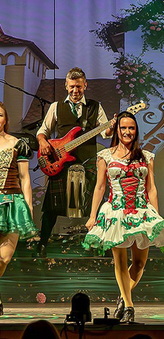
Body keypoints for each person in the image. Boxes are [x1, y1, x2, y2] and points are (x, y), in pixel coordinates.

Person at [83, 111, 164, 323]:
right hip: (116, 212)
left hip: (141, 211)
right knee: (119, 261)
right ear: (117, 130)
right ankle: (129, 305)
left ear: (136, 131)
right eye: (123, 128)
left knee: (139, 264)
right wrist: (92, 216)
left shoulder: (146, 156)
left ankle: (122, 297)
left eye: (131, 128)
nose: (127, 132)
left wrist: (156, 215)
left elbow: (151, 188)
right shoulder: (105, 156)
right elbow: (99, 187)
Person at [36, 67, 113, 257]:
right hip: (61, 161)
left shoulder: (95, 106)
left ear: (85, 85)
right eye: (71, 86)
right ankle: (41, 246)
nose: (75, 90)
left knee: (95, 204)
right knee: (52, 207)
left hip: (88, 160)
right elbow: (42, 131)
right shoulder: (56, 107)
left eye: (79, 86)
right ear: (66, 86)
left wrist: (111, 127)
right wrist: (43, 142)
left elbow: (106, 133)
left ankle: (100, 246)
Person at [0, 102, 38, 316]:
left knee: (4, 258)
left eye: (0, 115)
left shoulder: (18, 144)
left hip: (12, 204)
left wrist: (29, 207)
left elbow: (25, 178)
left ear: (6, 119)